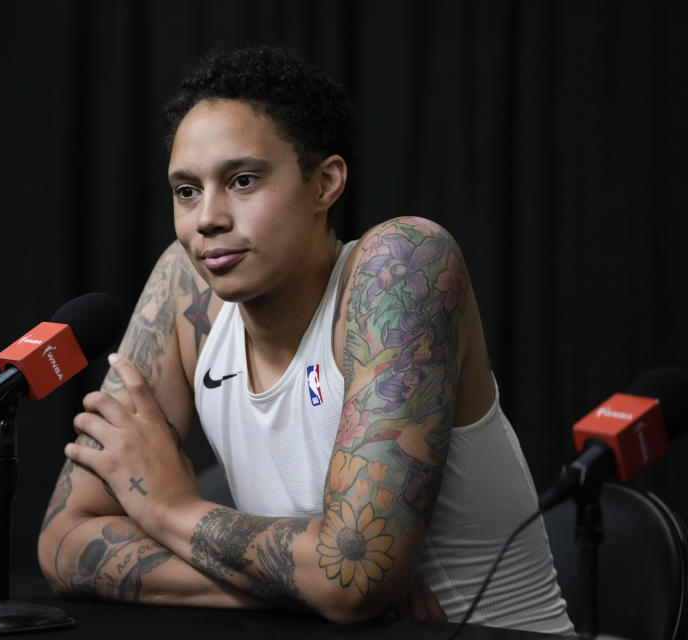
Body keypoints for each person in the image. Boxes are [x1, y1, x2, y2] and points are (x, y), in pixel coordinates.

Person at [38, 46, 573, 632]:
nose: (206, 218)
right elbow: (65, 544)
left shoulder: (402, 270)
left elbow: (349, 572)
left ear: (325, 183)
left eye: (242, 180)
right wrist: (304, 588)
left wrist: (169, 508)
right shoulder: (184, 284)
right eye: (186, 190)